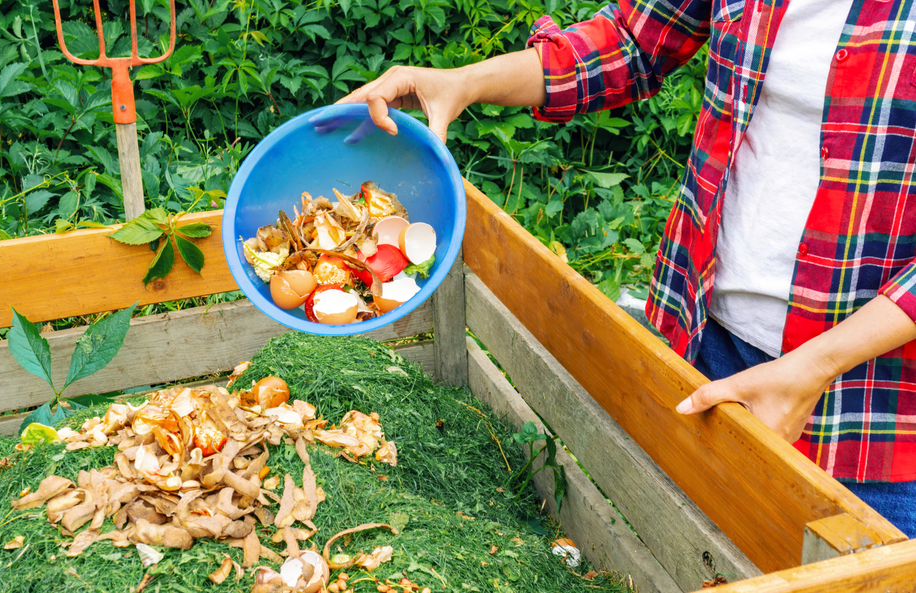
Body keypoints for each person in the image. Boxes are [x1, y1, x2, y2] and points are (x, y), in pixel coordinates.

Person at [336, 0, 916, 536]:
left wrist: (817, 365)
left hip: (869, 410)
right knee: (695, 556)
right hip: (702, 339)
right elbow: (633, 44)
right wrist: (463, 81)